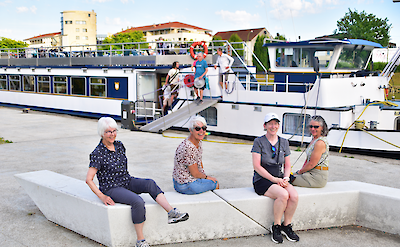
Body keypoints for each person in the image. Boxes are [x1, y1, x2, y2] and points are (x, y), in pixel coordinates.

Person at [86, 117, 189, 247]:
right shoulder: (97, 153)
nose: (112, 134)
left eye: (114, 131)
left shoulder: (119, 145)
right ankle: (140, 241)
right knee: (138, 201)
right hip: (111, 187)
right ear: (102, 133)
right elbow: (89, 179)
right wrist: (102, 196)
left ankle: (171, 212)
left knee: (150, 183)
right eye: (108, 132)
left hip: (126, 180)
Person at [252, 113, 299, 244]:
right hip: (262, 180)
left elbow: (288, 165)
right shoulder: (259, 141)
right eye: (270, 123)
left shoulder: (284, 142)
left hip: (279, 178)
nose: (273, 126)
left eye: (276, 123)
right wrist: (274, 179)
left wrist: (286, 177)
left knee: (294, 196)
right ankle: (276, 226)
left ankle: (286, 225)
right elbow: (256, 166)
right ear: (265, 126)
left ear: (279, 125)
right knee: (283, 195)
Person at [172, 116, 218, 194]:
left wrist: (204, 177)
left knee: (210, 181)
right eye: (197, 128)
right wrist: (207, 177)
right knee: (215, 183)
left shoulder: (198, 142)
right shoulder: (188, 147)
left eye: (204, 128)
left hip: (186, 180)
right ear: (191, 130)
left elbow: (199, 163)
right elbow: (195, 173)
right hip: (184, 184)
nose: (201, 131)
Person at [291, 115, 329, 188]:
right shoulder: (314, 139)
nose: (312, 129)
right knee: (288, 176)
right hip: (310, 173)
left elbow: (311, 164)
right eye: (311, 126)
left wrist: (299, 172)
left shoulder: (320, 142)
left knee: (288, 180)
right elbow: (308, 160)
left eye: (316, 127)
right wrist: (300, 171)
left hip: (317, 176)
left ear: (322, 128)